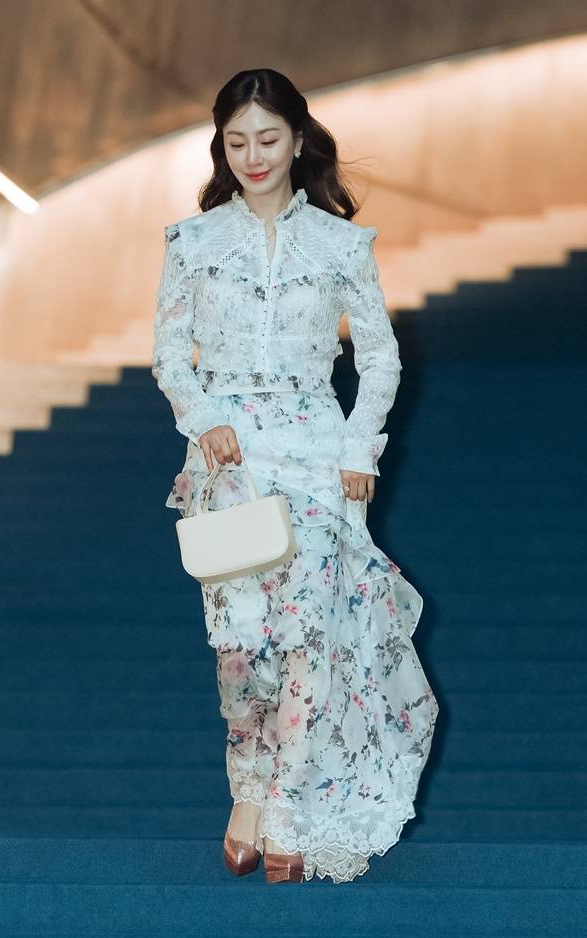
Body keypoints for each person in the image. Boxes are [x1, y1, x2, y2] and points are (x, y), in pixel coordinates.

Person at [152, 68, 439, 884]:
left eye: (268, 139)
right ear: (221, 147)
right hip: (229, 463)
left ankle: (283, 808)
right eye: (236, 141)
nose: (253, 156)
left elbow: (380, 358)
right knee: (242, 646)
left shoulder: (342, 245)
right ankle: (246, 786)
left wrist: (358, 448)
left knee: (309, 634)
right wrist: (201, 416)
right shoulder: (192, 242)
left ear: (298, 140)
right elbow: (170, 353)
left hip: (316, 456)